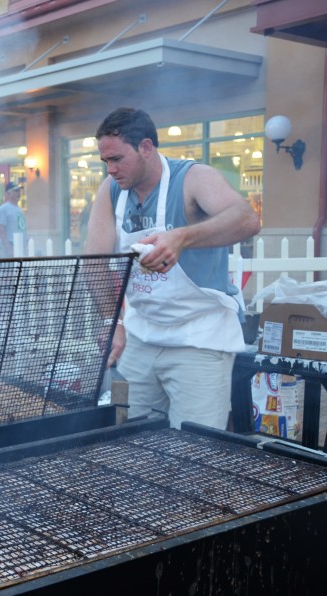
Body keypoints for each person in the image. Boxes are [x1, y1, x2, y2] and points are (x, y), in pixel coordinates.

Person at [83, 107, 261, 430]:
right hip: (142, 335)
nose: (110, 169)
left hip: (199, 337)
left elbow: (247, 219)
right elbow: (93, 261)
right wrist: (113, 321)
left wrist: (182, 237)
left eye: (117, 159)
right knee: (129, 440)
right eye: (104, 161)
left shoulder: (193, 178)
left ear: (146, 148)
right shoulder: (110, 193)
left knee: (195, 452)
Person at [0, 181, 27, 257]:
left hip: (20, 245)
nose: (18, 193)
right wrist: (8, 248)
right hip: (10, 244)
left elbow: (22, 227)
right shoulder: (3, 209)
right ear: (8, 193)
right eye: (16, 191)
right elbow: (1, 229)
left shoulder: (20, 210)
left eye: (19, 191)